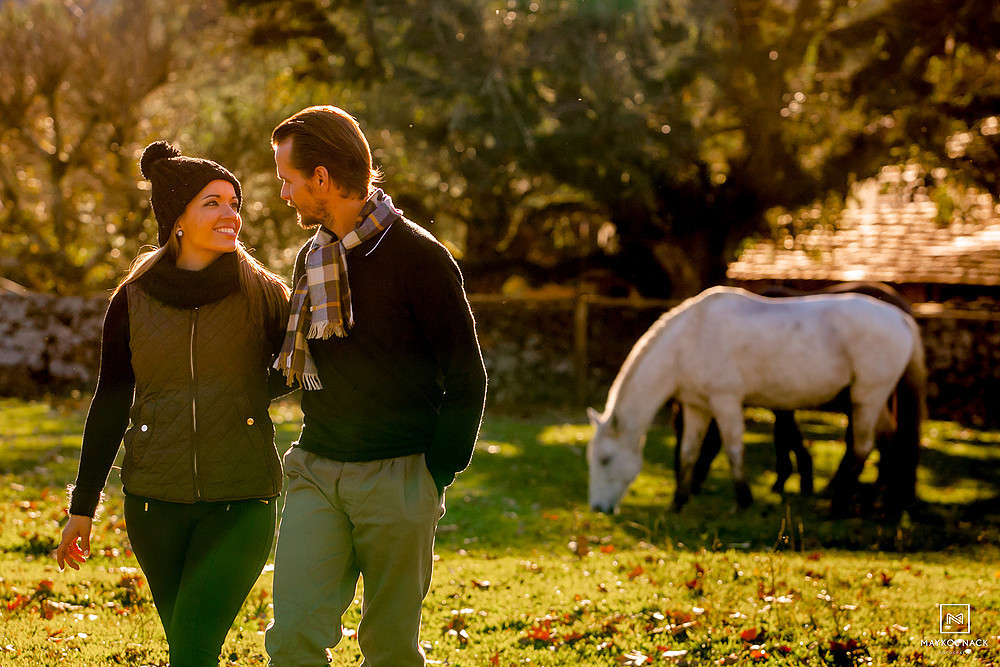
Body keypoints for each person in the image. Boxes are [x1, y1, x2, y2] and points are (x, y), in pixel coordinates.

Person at [264, 105, 488, 667]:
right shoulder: (312, 259)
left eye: (288, 180)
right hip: (316, 469)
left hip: (399, 476)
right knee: (292, 637)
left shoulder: (420, 258)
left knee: (390, 651)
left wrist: (435, 473)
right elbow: (290, 365)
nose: (284, 194)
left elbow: (467, 376)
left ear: (321, 178)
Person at [56, 141, 291, 667]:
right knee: (190, 647)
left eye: (234, 202)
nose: (231, 214)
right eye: (213, 202)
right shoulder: (133, 297)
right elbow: (112, 401)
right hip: (153, 504)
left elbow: (291, 375)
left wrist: (241, 398)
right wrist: (83, 507)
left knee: (191, 649)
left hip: (243, 499)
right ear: (177, 218)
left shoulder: (265, 294)